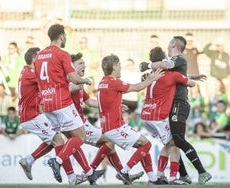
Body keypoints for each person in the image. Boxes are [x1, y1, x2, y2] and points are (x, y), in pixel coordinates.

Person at [33, 24, 105, 185]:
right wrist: (86, 80)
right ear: (61, 36)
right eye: (65, 35)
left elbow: (38, 81)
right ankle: (57, 161)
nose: (65, 38)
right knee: (80, 136)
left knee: (68, 140)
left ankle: (82, 174)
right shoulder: (62, 53)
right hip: (62, 102)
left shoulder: (38, 56)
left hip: (47, 104)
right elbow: (72, 78)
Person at [140, 36, 212, 184]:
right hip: (170, 106)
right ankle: (181, 175)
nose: (167, 45)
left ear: (173, 44)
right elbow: (172, 75)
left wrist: (147, 65)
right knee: (172, 142)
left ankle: (201, 172)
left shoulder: (179, 59)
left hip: (179, 104)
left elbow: (167, 68)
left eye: (169, 42)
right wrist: (190, 76)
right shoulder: (172, 69)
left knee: (176, 140)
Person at [69, 52, 144, 184]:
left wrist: (113, 106)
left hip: (82, 123)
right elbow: (67, 89)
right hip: (76, 124)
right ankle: (90, 173)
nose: (84, 66)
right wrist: (80, 82)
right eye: (80, 64)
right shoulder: (71, 83)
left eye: (84, 64)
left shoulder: (79, 85)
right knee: (109, 141)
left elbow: (90, 102)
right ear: (71, 66)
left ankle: (118, 174)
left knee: (110, 145)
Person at [17, 47, 86, 185]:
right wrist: (74, 79)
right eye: (40, 57)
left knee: (55, 139)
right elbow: (52, 81)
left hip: (33, 114)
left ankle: (29, 160)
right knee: (58, 140)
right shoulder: (31, 73)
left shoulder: (26, 71)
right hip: (31, 116)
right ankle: (72, 177)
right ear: (34, 59)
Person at [97, 54, 165, 185]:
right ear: (114, 66)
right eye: (119, 65)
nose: (120, 68)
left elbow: (105, 102)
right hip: (115, 127)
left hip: (109, 126)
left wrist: (117, 106)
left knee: (143, 144)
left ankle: (153, 178)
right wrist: (152, 78)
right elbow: (137, 88)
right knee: (146, 144)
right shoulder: (113, 82)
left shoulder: (102, 82)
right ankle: (124, 172)